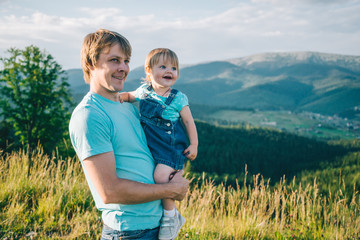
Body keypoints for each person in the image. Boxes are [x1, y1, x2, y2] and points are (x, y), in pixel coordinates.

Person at [69, 29, 189, 240]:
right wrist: (170, 190)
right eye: (114, 60)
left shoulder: (130, 105)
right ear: (90, 63)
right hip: (128, 232)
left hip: (158, 225)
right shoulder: (90, 115)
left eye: (126, 61)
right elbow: (110, 192)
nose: (123, 68)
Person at [119, 48, 198, 240]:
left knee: (161, 176)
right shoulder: (144, 91)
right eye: (162, 66)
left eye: (173, 68)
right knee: (153, 175)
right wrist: (120, 97)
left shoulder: (178, 98)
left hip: (170, 148)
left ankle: (171, 217)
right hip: (152, 147)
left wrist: (194, 144)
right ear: (148, 70)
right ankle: (169, 215)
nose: (169, 71)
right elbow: (131, 96)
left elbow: (189, 122)